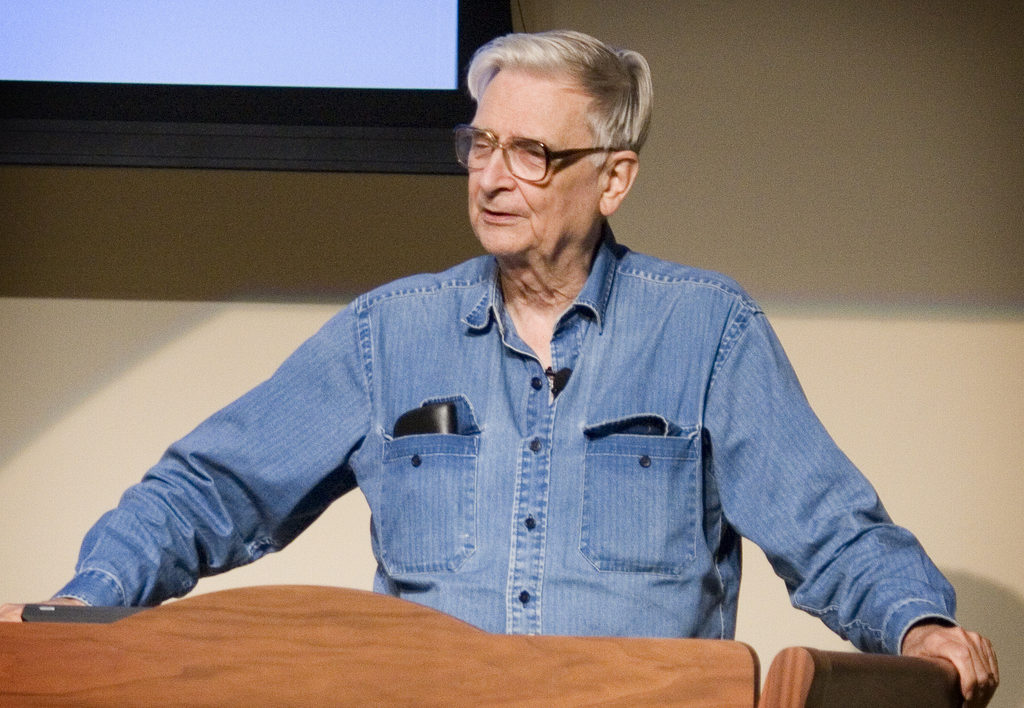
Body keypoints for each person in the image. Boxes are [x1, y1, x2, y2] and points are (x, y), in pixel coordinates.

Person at [1, 30, 998, 705]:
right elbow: (203, 493)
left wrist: (920, 627)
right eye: (479, 143)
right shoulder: (387, 335)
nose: (489, 176)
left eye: (531, 153)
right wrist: (83, 606)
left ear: (613, 176)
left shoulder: (707, 331)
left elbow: (831, 532)